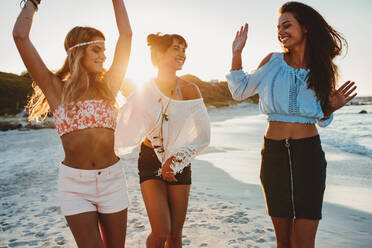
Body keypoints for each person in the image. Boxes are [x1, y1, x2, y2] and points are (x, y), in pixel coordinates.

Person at [226, 2, 357, 247]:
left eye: (287, 25)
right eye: (278, 27)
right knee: (283, 241)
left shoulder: (322, 70)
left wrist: (331, 107)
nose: (281, 32)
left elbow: (321, 117)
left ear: (305, 28)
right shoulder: (272, 62)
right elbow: (240, 91)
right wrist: (236, 55)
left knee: (304, 241)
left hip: (309, 154)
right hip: (274, 154)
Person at [13, 0, 132, 247]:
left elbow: (126, 35)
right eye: (97, 49)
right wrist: (33, 3)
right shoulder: (56, 89)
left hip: (113, 180)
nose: (104, 55)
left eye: (104, 49)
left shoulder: (109, 86)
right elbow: (20, 37)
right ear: (78, 52)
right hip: (75, 186)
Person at [115, 33, 210, 248]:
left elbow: (203, 135)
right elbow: (125, 124)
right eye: (176, 48)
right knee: (160, 231)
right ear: (159, 53)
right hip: (150, 160)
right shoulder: (144, 89)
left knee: (175, 235)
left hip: (180, 161)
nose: (182, 54)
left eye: (184, 50)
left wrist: (175, 160)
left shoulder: (189, 90)